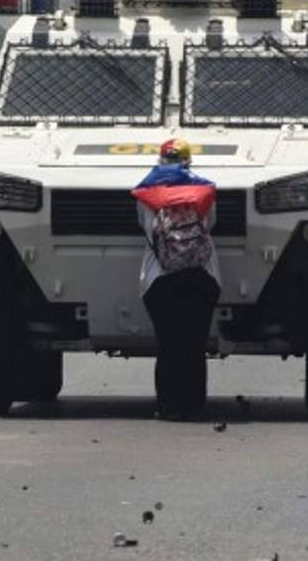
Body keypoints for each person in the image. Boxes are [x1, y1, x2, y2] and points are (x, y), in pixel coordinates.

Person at [131, 139, 222, 420]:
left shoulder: (145, 192)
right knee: (195, 344)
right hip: (202, 274)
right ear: (188, 161)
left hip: (160, 278)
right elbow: (211, 224)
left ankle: (169, 407)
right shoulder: (204, 190)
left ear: (160, 160)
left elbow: (145, 228)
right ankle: (193, 406)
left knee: (168, 344)